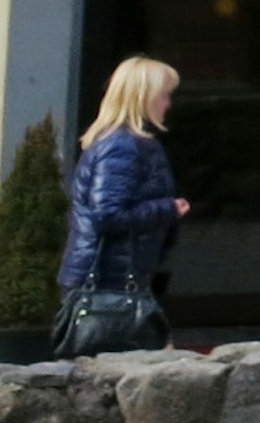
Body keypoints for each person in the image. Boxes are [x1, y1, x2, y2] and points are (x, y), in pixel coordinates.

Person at [61, 55, 187, 348]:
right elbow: (109, 215)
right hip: (111, 286)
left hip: (117, 280)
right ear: (144, 97)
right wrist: (167, 209)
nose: (168, 104)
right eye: (164, 95)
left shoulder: (123, 143)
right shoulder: (123, 147)